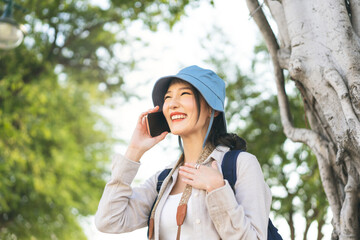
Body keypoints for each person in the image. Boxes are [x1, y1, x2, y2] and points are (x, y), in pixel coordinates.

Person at [95, 65, 272, 239]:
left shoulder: (240, 165)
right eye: (167, 97)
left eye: (184, 94)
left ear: (213, 109)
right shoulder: (163, 180)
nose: (172, 104)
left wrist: (217, 189)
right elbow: (108, 220)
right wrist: (134, 150)